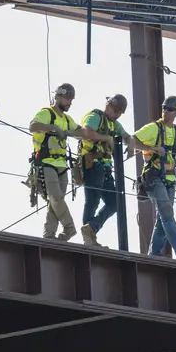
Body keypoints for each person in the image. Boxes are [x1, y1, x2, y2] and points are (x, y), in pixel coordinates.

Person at [29, 83, 101, 241]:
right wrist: (51, 128)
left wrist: (69, 132)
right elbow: (33, 126)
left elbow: (82, 132)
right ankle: (69, 227)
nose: (69, 102)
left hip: (61, 165)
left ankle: (49, 235)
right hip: (46, 162)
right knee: (55, 198)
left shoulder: (67, 119)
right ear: (59, 96)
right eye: (67, 98)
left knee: (55, 202)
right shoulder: (47, 113)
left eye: (71, 100)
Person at [135, 95, 176, 261]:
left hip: (170, 179)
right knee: (167, 214)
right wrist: (152, 148)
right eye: (164, 107)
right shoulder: (153, 128)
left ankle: (153, 255)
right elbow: (132, 141)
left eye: (169, 109)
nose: (165, 111)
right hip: (154, 177)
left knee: (163, 219)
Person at [78, 94, 132, 246]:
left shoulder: (115, 124)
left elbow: (126, 136)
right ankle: (88, 238)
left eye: (120, 113)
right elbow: (87, 133)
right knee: (92, 200)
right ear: (108, 106)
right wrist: (107, 139)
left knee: (115, 202)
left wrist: (131, 144)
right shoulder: (96, 117)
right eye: (116, 112)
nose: (117, 115)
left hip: (105, 168)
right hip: (92, 163)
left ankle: (91, 228)